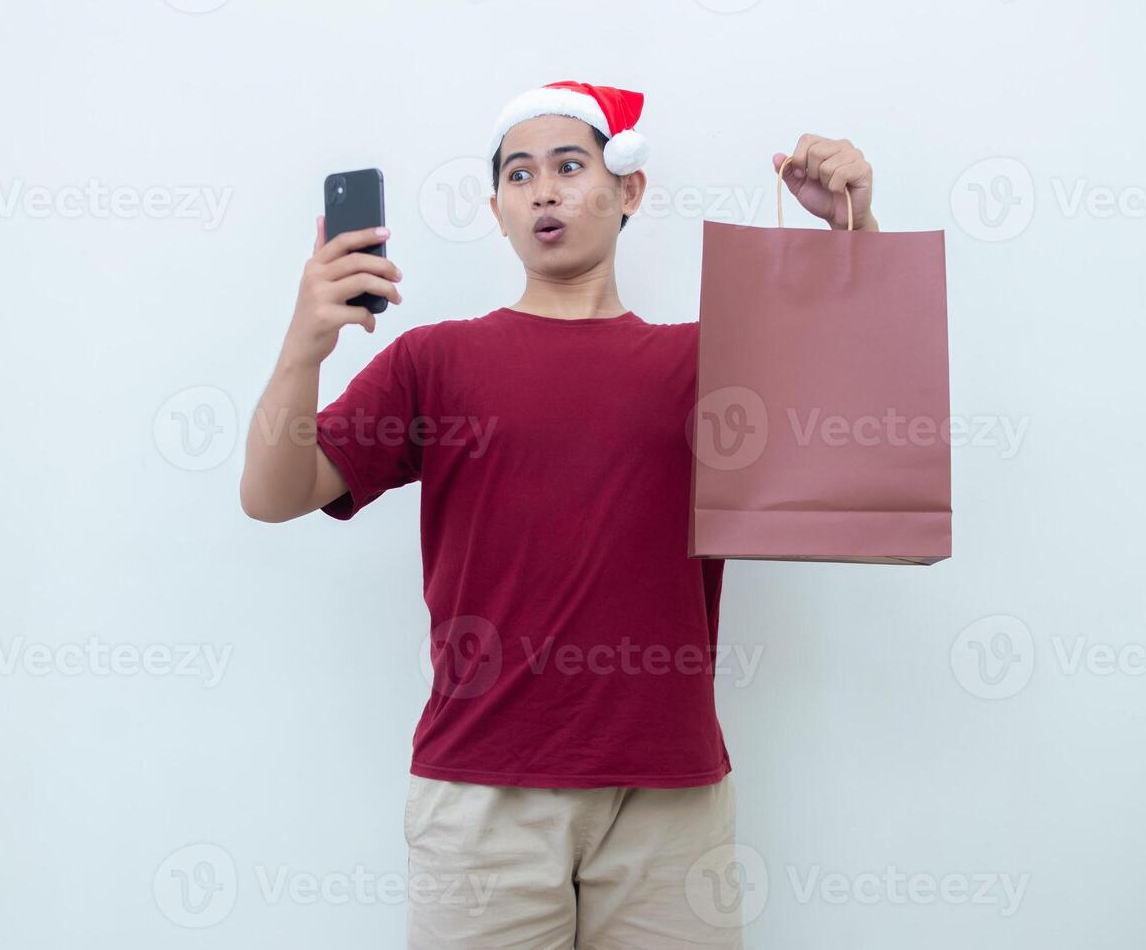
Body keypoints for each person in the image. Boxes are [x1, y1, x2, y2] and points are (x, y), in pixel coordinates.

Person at [240, 79, 878, 949]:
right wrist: (302, 345)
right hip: (480, 801)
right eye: (519, 174)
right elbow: (273, 495)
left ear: (630, 191)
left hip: (669, 800)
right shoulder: (436, 361)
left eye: (571, 166)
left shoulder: (708, 361)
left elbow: (867, 405)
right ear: (498, 208)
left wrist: (853, 235)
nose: (543, 189)